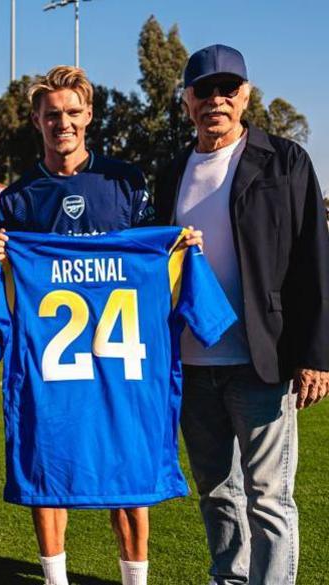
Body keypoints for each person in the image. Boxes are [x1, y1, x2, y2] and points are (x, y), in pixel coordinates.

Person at [0, 65, 202, 585]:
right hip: (53, 364)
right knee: (48, 466)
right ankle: (55, 579)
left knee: (127, 473)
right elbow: (13, 283)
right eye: (51, 114)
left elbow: (148, 257)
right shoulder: (18, 198)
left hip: (121, 359)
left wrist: (178, 248)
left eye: (72, 112)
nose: (62, 123)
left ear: (88, 116)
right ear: (36, 121)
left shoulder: (124, 181)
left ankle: (135, 581)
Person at [154, 44, 329, 585]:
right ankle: (229, 578)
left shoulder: (285, 161)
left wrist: (317, 355)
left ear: (245, 95)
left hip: (263, 358)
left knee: (269, 498)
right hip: (192, 363)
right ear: (187, 100)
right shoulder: (171, 171)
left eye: (227, 88)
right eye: (203, 90)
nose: (216, 99)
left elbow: (314, 260)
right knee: (216, 493)